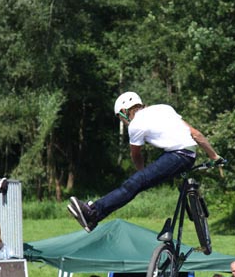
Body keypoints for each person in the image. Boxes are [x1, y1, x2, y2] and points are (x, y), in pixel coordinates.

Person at [68, 92, 222, 232]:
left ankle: (93, 213)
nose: (123, 122)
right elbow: (195, 134)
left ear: (124, 111)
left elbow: (136, 155)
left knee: (132, 184)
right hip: (186, 155)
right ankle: (93, 215)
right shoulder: (164, 108)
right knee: (140, 182)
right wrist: (214, 156)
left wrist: (141, 176)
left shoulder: (136, 125)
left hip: (178, 156)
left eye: (121, 118)